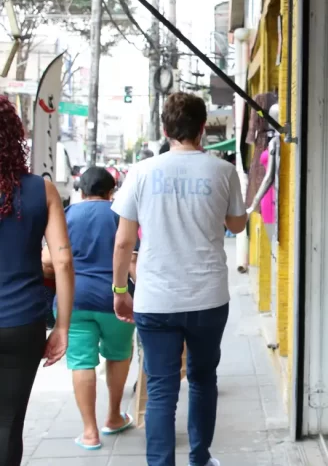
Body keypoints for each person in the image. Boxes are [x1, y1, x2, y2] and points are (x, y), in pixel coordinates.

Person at [111, 92, 248, 466]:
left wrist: (121, 289)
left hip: (155, 298)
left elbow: (124, 240)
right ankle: (200, 458)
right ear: (203, 128)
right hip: (208, 297)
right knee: (203, 380)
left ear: (165, 129)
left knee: (160, 390)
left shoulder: (141, 172)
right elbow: (237, 223)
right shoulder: (221, 171)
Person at [42, 167, 139, 450]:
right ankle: (113, 417)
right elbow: (132, 260)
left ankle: (89, 432)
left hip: (74, 300)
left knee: (81, 361)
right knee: (119, 354)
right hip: (116, 299)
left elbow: (50, 260)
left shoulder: (68, 214)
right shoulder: (121, 214)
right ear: (112, 191)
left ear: (81, 191)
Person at [0, 96, 73, 466]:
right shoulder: (39, 190)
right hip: (22, 323)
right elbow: (62, 259)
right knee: (9, 424)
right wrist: (61, 326)